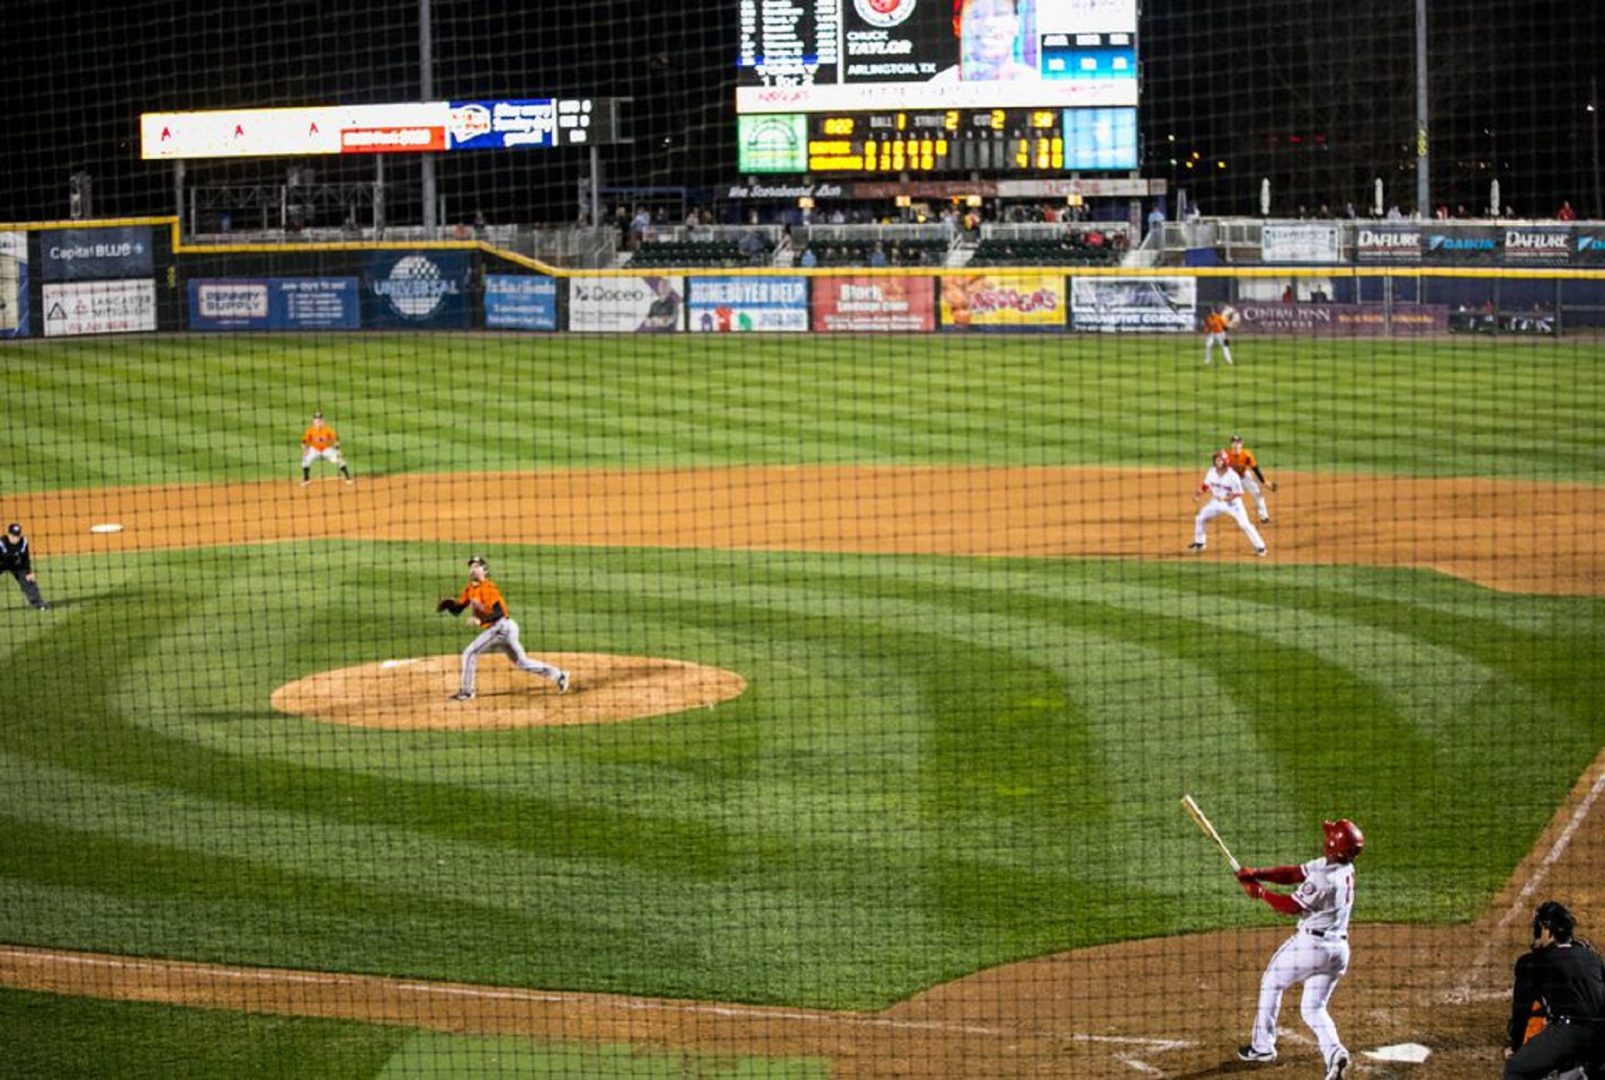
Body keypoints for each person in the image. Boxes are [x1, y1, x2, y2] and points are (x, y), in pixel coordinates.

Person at [1234, 820, 1365, 1078]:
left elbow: (1292, 906)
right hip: (1338, 951)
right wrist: (1258, 873)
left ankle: (1263, 1048)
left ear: (1331, 845)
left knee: (1271, 981)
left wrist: (1260, 893)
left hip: (1310, 947)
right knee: (1313, 1008)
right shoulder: (1343, 867)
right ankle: (1335, 1053)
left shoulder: (1324, 879)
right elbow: (1295, 873)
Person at [436, 556, 568, 701]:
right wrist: (449, 606)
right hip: (502, 628)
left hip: (501, 627)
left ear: (484, 570)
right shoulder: (470, 590)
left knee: (469, 653)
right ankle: (559, 675)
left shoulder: (489, 588)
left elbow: (499, 612)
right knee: (522, 662)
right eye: (471, 566)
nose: (472, 568)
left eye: (476, 566)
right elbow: (458, 610)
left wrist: (480, 620)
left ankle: (467, 692)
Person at [1504, 901, 1605, 1080]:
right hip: (1602, 1035)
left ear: (1545, 929)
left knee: (1516, 1069)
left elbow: (1521, 1011)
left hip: (1569, 1034)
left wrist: (1515, 1046)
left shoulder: (1532, 962)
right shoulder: (1592, 957)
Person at [931, 0, 1036, 83]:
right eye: (976, 15)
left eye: (1000, 14)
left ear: (1016, 24)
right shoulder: (940, 86)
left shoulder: (1034, 85)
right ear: (957, 24)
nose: (988, 23)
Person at [1189, 449, 1267, 556]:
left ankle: (1261, 547)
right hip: (1216, 502)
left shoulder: (1233, 476)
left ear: (1225, 461)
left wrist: (1226, 499)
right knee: (1200, 518)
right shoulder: (1211, 471)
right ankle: (1200, 543)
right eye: (1216, 460)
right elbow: (1206, 485)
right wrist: (1198, 494)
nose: (1217, 462)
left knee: (1244, 524)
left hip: (1233, 505)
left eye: (1220, 460)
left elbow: (1238, 493)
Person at [1226, 434, 1276, 524]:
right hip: (1232, 480)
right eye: (1234, 442)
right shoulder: (1226, 455)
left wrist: (1264, 482)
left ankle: (1264, 517)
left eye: (1238, 442)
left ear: (1242, 444)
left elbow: (1255, 469)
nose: (1236, 445)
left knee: (1258, 493)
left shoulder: (1246, 455)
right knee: (1228, 497)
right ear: (1231, 444)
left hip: (1245, 477)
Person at [0, 522, 50, 611]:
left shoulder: (23, 541)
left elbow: (25, 558)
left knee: (28, 580)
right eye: (13, 535)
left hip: (16, 564)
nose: (16, 538)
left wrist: (29, 572)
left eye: (17, 535)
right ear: (8, 534)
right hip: (1, 564)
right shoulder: (1, 542)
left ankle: (38, 602)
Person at [299, 411, 352, 487]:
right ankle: (306, 479)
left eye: (320, 420)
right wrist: (305, 450)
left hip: (325, 449)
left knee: (338, 458)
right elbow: (303, 442)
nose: (319, 421)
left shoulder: (327, 430)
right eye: (317, 420)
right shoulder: (310, 431)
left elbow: (336, 440)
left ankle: (347, 476)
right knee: (305, 459)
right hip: (314, 449)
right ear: (314, 421)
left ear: (323, 421)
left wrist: (338, 450)